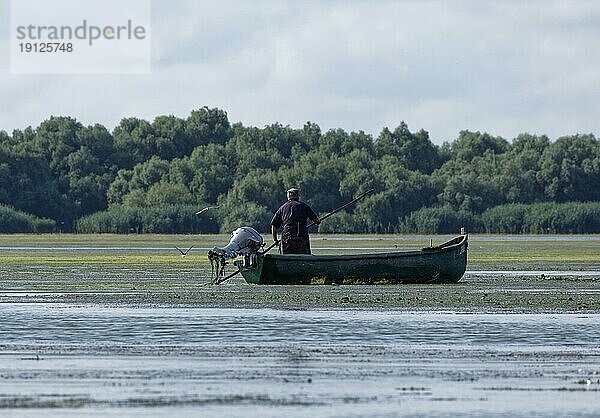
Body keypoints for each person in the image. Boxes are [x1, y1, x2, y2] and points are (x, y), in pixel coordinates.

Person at [271, 188, 320, 254]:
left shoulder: (282, 208)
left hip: (287, 238)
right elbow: (317, 221)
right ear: (298, 196)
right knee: (303, 260)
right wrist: (318, 221)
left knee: (287, 260)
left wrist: (275, 240)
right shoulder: (304, 206)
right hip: (302, 238)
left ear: (288, 196)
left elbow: (274, 226)